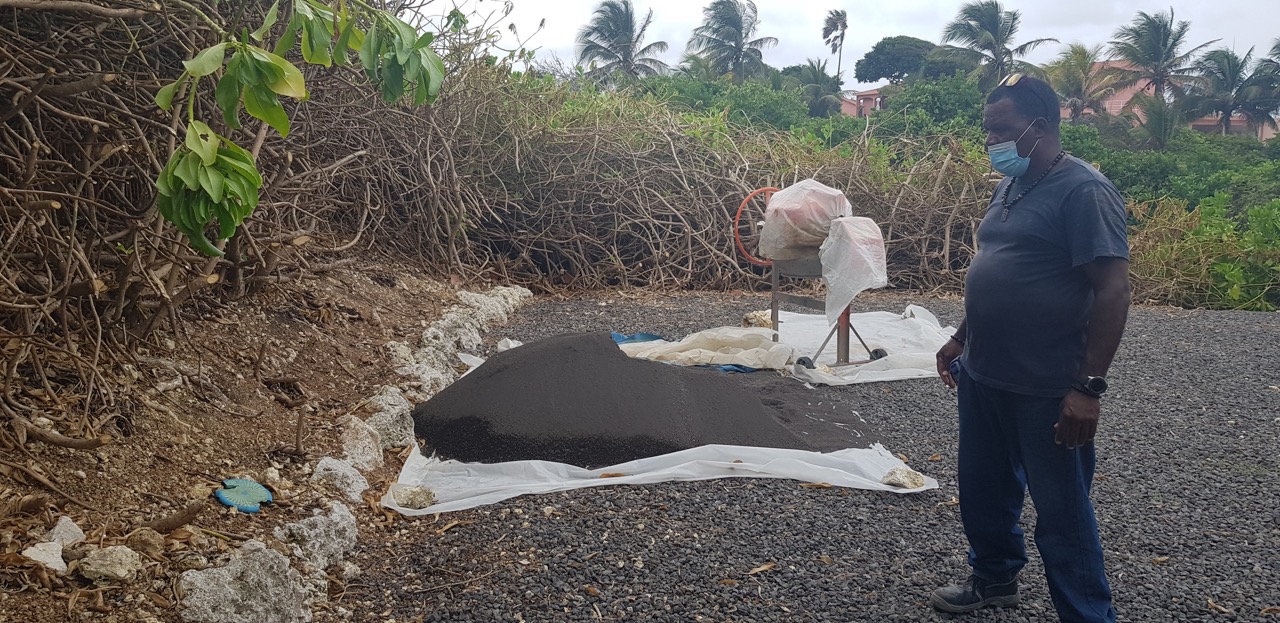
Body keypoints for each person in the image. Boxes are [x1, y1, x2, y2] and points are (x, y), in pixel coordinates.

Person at [931, 73, 1131, 623]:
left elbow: (1112, 289)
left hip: (1046, 386)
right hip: (986, 375)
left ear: (1039, 126)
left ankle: (1088, 615)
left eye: (1003, 130)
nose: (992, 141)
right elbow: (1000, 272)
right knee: (984, 491)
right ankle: (994, 580)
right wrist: (960, 337)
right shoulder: (1010, 186)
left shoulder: (1084, 191)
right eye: (988, 129)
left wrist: (1087, 389)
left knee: (1062, 512)